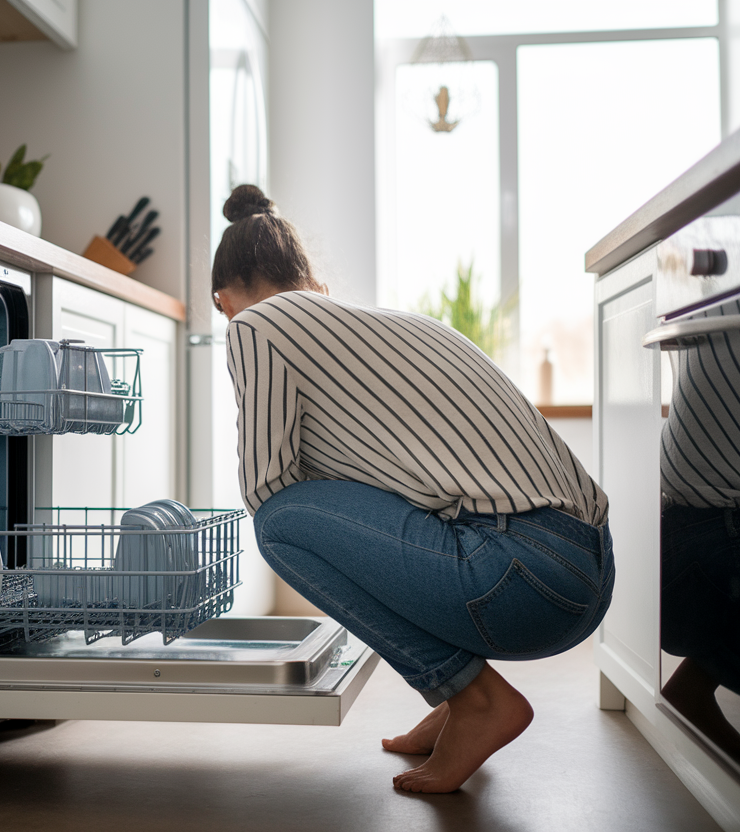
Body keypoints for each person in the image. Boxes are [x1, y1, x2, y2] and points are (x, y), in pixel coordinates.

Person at [212, 184, 614, 794]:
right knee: (348, 516)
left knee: (279, 523)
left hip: (522, 578)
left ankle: (475, 700)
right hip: (580, 572)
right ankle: (459, 702)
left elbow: (267, 486)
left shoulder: (259, 323)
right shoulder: (380, 324)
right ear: (311, 281)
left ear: (225, 302)